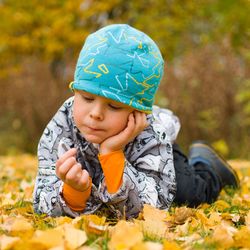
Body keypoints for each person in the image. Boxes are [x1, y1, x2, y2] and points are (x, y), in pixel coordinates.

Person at [33, 24, 239, 219]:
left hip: (154, 157)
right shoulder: (62, 125)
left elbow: (153, 206)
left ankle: (207, 164)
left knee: (188, 195)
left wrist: (112, 153)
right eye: (87, 98)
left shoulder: (150, 132)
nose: (95, 113)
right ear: (75, 92)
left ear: (137, 112)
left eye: (114, 106)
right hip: (105, 174)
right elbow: (42, 197)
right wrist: (73, 192)